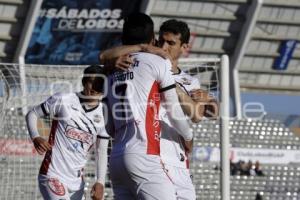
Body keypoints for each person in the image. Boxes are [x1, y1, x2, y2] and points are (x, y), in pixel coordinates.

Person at [100, 19, 219, 200]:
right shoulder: (140, 63)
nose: (164, 46)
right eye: (161, 40)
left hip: (174, 158)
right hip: (151, 155)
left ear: (184, 47)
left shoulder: (189, 81)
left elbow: (201, 114)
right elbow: (103, 58)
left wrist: (179, 90)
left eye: (171, 43)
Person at [25, 65, 109, 200]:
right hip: (53, 175)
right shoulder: (63, 99)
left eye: (100, 84)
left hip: (77, 183)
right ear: (84, 82)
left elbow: (101, 151)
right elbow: (32, 114)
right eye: (92, 82)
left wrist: (100, 181)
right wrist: (36, 137)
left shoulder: (105, 114)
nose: (95, 87)